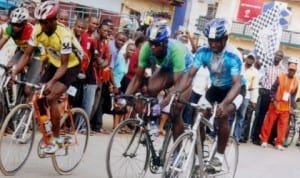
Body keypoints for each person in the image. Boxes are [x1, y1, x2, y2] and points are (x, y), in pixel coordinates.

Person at [11, 1, 83, 154]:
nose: (41, 25)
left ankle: (56, 140)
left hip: (71, 65)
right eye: (39, 22)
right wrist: (14, 72)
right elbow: (27, 54)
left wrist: (51, 83)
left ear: (53, 20)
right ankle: (49, 128)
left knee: (51, 97)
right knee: (39, 97)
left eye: (44, 22)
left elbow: (64, 66)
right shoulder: (37, 30)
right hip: (54, 62)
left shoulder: (64, 35)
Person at [177, 18, 245, 173]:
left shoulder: (233, 55)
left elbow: (236, 84)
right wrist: (177, 92)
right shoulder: (203, 52)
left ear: (225, 38)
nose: (213, 44)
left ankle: (219, 158)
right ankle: (199, 154)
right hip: (216, 88)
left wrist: (223, 104)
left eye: (217, 41)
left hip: (234, 90)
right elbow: (189, 76)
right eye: (210, 40)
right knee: (198, 116)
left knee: (223, 115)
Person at [125, 19, 193, 142]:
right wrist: (125, 97)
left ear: (165, 43)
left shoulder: (176, 50)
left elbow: (176, 88)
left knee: (176, 110)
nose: (152, 48)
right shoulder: (146, 48)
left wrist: (162, 105)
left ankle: (177, 152)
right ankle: (152, 126)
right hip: (167, 69)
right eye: (151, 43)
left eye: (156, 45)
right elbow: (137, 78)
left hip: (185, 73)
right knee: (150, 88)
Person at [0, 7, 42, 99]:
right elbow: (1, 43)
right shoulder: (9, 28)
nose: (15, 27)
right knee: (8, 68)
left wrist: (18, 68)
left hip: (36, 55)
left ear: (24, 24)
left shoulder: (31, 31)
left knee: (27, 90)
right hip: (23, 51)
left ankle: (28, 108)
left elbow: (28, 56)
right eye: (13, 24)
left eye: (18, 25)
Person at [260, 58, 298, 150]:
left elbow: (293, 95)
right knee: (268, 123)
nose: (292, 72)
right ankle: (264, 140)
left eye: (293, 70)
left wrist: (293, 106)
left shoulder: (296, 81)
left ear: (295, 71)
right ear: (288, 70)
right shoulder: (280, 77)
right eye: (290, 70)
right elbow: (272, 90)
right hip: (275, 105)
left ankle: (279, 143)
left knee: (283, 126)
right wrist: (274, 100)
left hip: (286, 107)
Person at [251, 50, 285, 145]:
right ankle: (255, 137)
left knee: (273, 117)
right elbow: (261, 76)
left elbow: (281, 83)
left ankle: (270, 138)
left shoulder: (282, 69)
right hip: (266, 92)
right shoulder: (267, 65)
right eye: (277, 54)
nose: (278, 56)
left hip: (275, 96)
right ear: (274, 55)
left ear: (282, 58)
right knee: (261, 115)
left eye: (280, 55)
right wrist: (261, 86)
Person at [232, 52, 259, 142]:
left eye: (252, 59)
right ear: (246, 58)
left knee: (240, 117)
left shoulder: (255, 72)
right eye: (249, 58)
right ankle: (227, 136)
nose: (250, 60)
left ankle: (236, 137)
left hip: (246, 96)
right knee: (231, 115)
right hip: (234, 93)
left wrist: (254, 101)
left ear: (254, 61)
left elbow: (254, 87)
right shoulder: (239, 66)